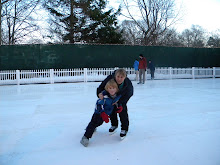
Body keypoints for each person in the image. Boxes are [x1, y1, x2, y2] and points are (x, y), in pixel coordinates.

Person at [80, 79, 122, 147]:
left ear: (116, 89)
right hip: (98, 112)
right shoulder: (104, 97)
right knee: (94, 123)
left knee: (99, 123)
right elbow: (98, 105)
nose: (112, 90)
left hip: (107, 112)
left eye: (113, 88)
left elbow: (117, 102)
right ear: (107, 89)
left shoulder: (117, 96)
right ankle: (85, 137)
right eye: (110, 88)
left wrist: (120, 106)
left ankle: (91, 128)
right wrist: (102, 113)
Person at [97, 68, 133, 139]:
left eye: (121, 77)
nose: (119, 79)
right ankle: (114, 124)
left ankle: (124, 129)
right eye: (118, 77)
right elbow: (100, 87)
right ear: (115, 76)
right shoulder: (110, 78)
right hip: (111, 97)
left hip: (121, 99)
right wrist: (99, 94)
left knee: (122, 111)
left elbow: (130, 93)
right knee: (111, 111)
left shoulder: (127, 83)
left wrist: (121, 102)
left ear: (124, 77)